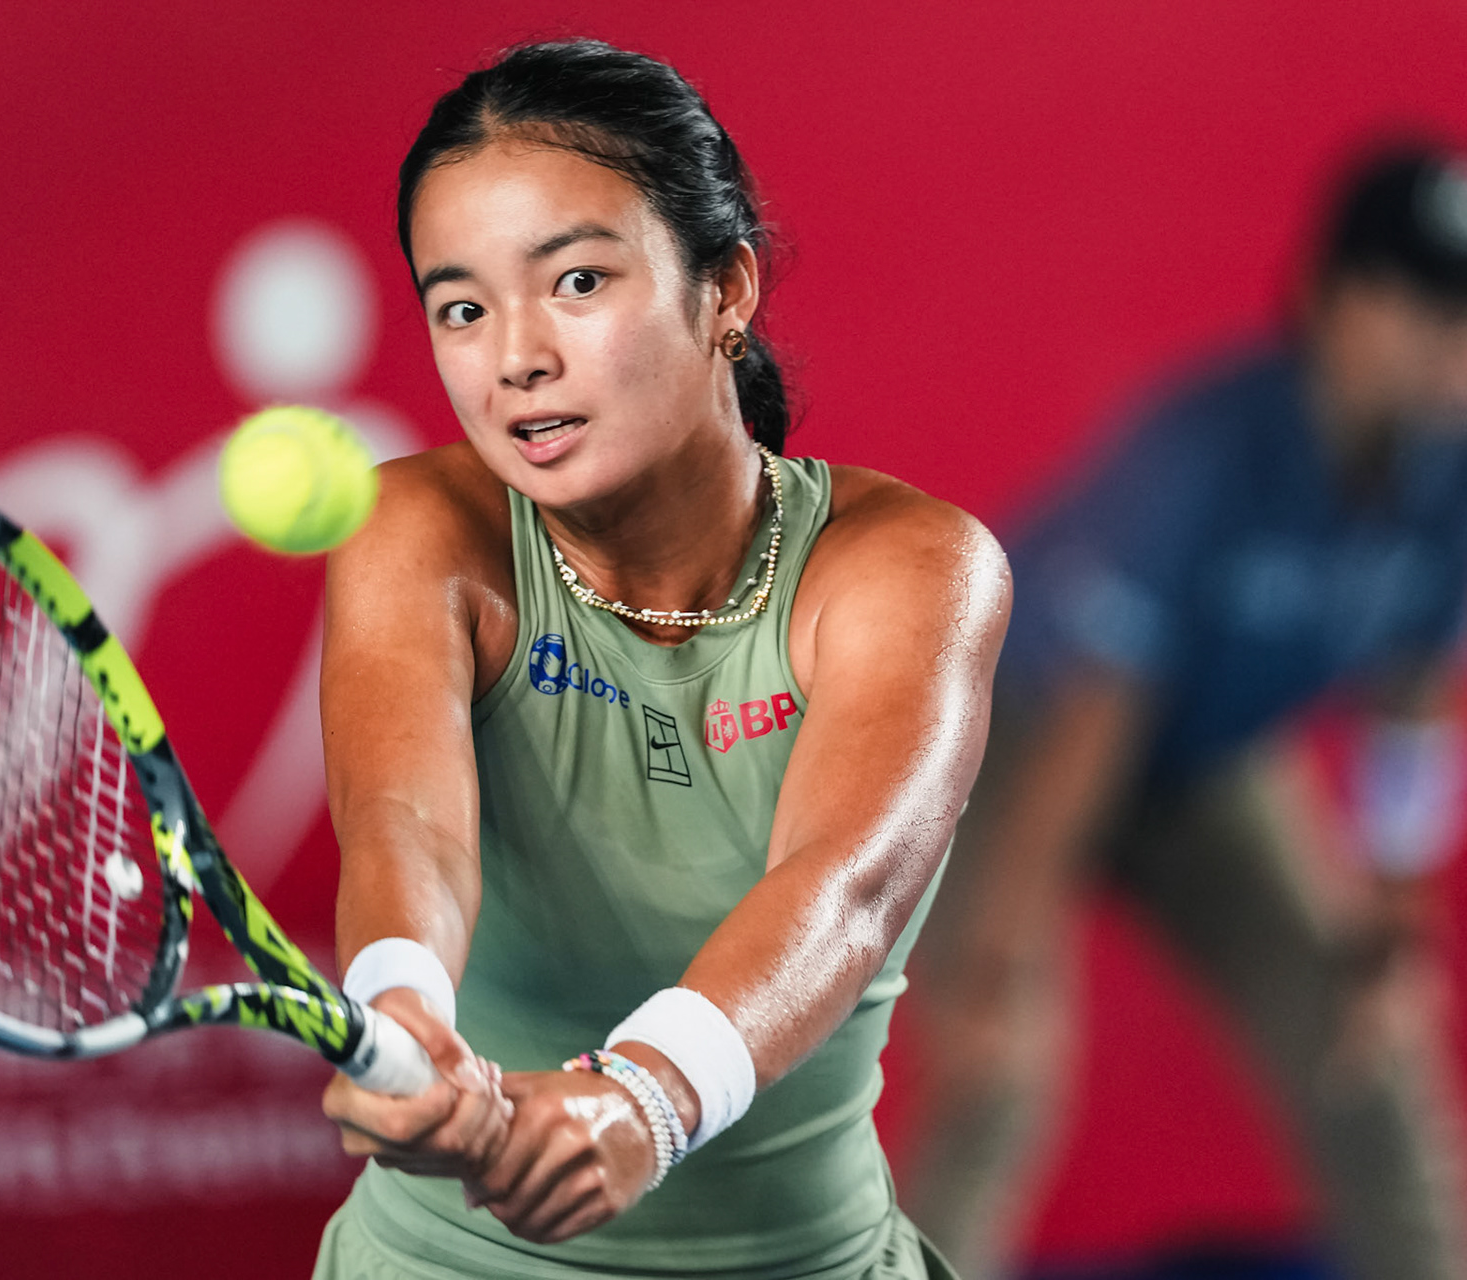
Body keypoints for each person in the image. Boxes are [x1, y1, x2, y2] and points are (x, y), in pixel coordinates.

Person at [308, 40, 1008, 1280]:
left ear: (724, 288)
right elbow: (405, 828)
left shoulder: (914, 567)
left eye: (576, 281)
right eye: (462, 308)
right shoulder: (415, 531)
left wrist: (648, 1094)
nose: (515, 356)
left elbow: (841, 891)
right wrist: (403, 1007)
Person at [902, 145, 1467, 1280]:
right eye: (1429, 306)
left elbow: (1411, 698)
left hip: (1203, 761)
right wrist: (998, 957)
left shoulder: (1450, 475)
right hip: (1004, 737)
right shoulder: (1204, 450)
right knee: (999, 1067)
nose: (1456, 341)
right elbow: (1092, 711)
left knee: (1362, 1033)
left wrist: (1389, 936)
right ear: (1339, 301)